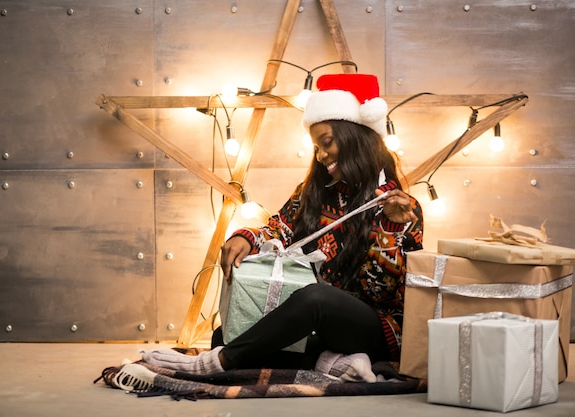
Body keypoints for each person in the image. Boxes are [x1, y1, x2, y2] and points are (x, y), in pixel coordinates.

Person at [140, 73, 423, 382]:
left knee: (316, 298)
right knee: (225, 336)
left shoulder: (401, 209)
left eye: (327, 142)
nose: (321, 155)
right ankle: (335, 363)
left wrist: (389, 229)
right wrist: (246, 236)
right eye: (316, 147)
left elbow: (381, 293)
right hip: (318, 326)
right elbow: (279, 230)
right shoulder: (313, 192)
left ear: (355, 136)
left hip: (373, 329)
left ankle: (210, 365)